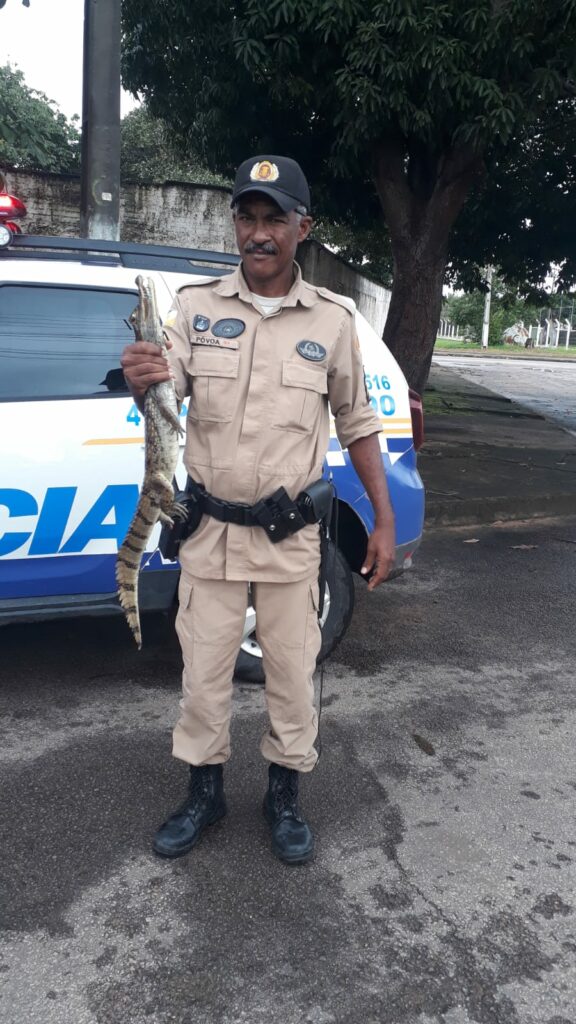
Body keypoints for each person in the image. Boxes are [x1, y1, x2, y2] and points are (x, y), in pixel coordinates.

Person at [121, 154, 396, 865]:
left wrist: (385, 521)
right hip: (209, 534)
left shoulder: (333, 320)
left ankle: (283, 796)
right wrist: (143, 375)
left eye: (275, 218)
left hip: (289, 539)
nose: (259, 232)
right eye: (247, 217)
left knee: (292, 678)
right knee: (203, 676)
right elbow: (165, 384)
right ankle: (204, 793)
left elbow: (358, 422)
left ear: (303, 227)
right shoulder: (195, 308)